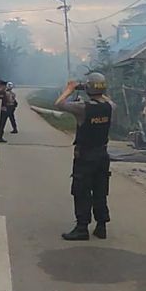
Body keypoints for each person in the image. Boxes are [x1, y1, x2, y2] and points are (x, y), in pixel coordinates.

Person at [55, 73, 115, 241]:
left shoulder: (83, 108)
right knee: (100, 190)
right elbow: (106, 99)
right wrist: (97, 89)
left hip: (85, 156)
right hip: (103, 155)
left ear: (87, 88)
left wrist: (70, 88)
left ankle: (82, 228)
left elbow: (59, 104)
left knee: (81, 191)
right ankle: (101, 226)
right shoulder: (109, 107)